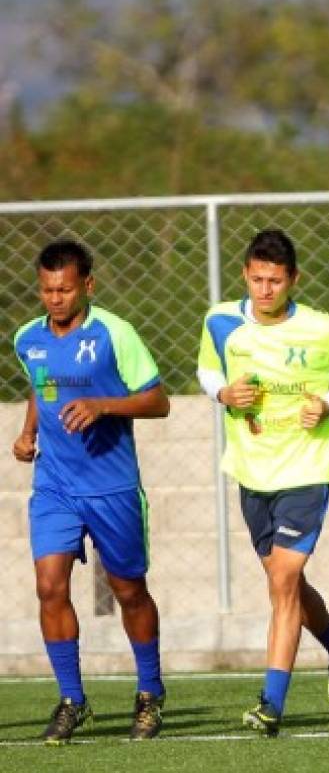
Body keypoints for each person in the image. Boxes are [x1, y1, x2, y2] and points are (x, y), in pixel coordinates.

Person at [196, 229, 329, 737]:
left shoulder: (321, 328)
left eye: (275, 280)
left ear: (294, 279)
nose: (265, 289)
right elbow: (205, 372)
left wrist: (328, 403)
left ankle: (271, 703)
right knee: (284, 583)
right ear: (246, 275)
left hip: (307, 468)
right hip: (251, 471)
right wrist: (224, 393)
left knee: (283, 583)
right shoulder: (222, 322)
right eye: (257, 279)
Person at [13, 239, 171, 744]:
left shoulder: (114, 334)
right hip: (55, 486)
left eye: (64, 289)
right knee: (49, 586)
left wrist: (104, 406)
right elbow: (43, 387)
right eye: (46, 290)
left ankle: (149, 692)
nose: (55, 298)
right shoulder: (27, 339)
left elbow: (158, 400)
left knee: (128, 591)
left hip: (112, 486)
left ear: (88, 286)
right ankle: (71, 700)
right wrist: (28, 431)